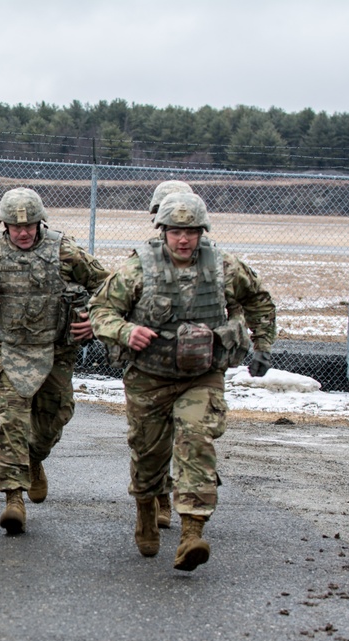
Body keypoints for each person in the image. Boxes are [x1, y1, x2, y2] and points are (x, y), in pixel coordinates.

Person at [88, 192, 276, 571]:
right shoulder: (139, 269)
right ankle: (146, 508)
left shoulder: (224, 267)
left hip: (201, 375)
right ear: (163, 231)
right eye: (176, 231)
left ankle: (192, 531)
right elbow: (100, 309)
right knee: (148, 455)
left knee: (196, 438)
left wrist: (263, 345)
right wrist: (125, 331)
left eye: (191, 231)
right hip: (149, 379)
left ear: (202, 232)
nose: (184, 240)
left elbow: (259, 301)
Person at [0, 188, 108, 534]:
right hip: (8, 349)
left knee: (54, 418)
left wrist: (95, 320)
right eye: (14, 227)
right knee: (11, 418)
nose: (22, 233)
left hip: (54, 351)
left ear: (41, 223)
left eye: (30, 226)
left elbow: (111, 286)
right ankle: (13, 498)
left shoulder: (64, 251)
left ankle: (34, 458)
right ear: (4, 226)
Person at [145, 179, 194, 528]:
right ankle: (159, 496)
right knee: (157, 440)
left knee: (193, 435)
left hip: (197, 368)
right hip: (154, 367)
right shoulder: (143, 261)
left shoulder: (213, 259)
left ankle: (190, 509)